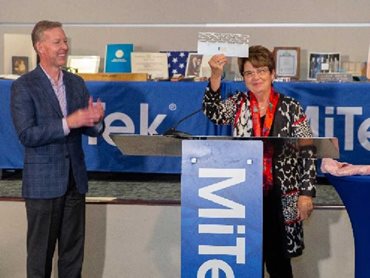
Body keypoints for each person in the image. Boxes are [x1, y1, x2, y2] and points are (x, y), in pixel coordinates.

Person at [202, 45, 316, 277]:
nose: (256, 77)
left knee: (279, 262)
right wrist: (215, 74)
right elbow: (212, 111)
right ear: (243, 77)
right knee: (246, 258)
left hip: (282, 193)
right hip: (244, 194)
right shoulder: (238, 103)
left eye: (261, 71)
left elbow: (308, 151)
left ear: (273, 74)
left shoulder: (291, 107)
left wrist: (306, 193)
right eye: (249, 73)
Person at [10, 20, 105, 278]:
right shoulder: (24, 86)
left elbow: (88, 128)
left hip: (75, 182)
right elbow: (27, 134)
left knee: (73, 258)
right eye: (57, 42)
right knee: (40, 259)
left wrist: (95, 121)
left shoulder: (76, 83)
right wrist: (68, 123)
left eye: (65, 41)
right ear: (40, 47)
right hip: (43, 185)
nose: (64, 46)